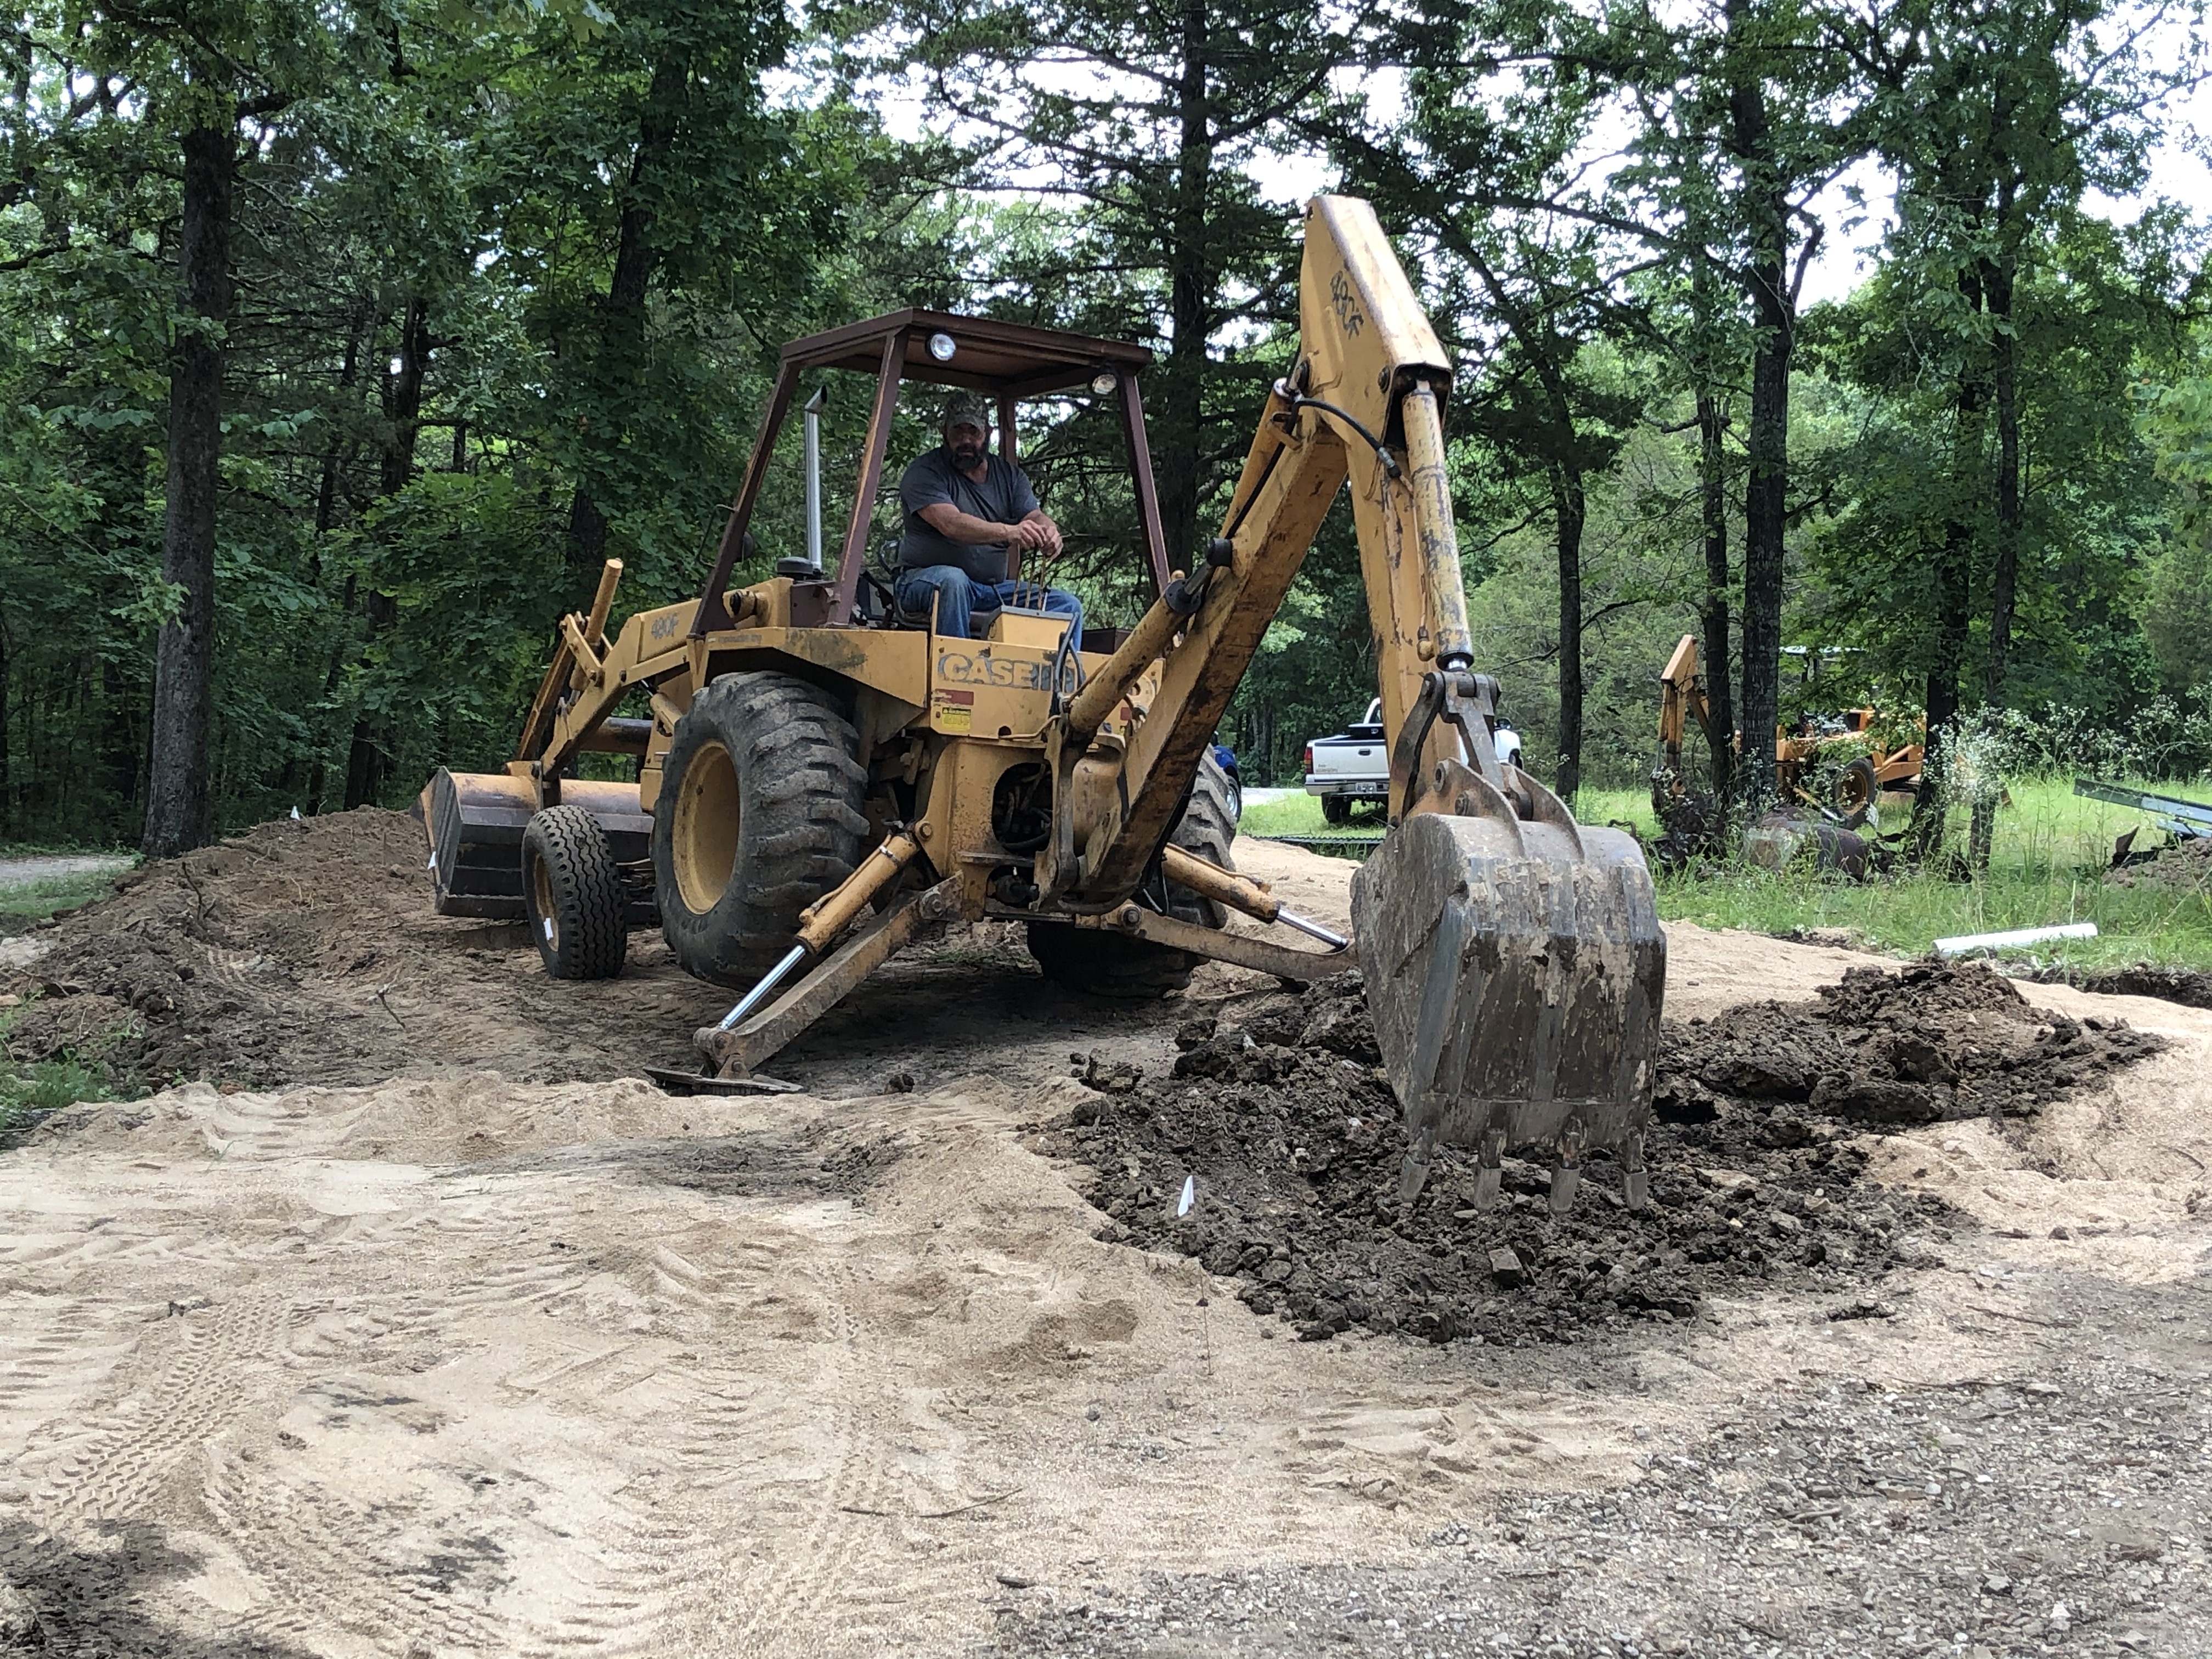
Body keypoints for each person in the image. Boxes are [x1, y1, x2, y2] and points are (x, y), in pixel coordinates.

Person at [894, 396, 1084, 642]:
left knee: (1068, 606)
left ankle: (1057, 668)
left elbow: (1035, 515)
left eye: (973, 431)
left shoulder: (1010, 476)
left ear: (988, 432)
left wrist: (1049, 532)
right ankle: (955, 663)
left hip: (991, 590)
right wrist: (1010, 532)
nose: (966, 440)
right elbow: (951, 523)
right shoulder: (925, 472)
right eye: (958, 431)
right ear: (944, 432)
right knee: (954, 581)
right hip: (921, 582)